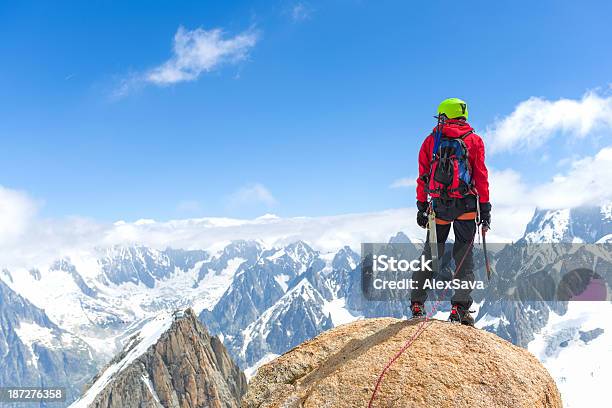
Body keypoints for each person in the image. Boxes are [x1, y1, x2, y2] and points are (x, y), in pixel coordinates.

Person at [410, 98, 491, 326]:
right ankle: (459, 309)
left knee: (430, 256)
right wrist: (485, 208)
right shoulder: (474, 140)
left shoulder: (431, 141)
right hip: (466, 206)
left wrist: (420, 205)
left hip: (440, 207)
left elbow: (423, 175)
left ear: (444, 115)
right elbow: (481, 176)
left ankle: (417, 303)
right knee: (463, 261)